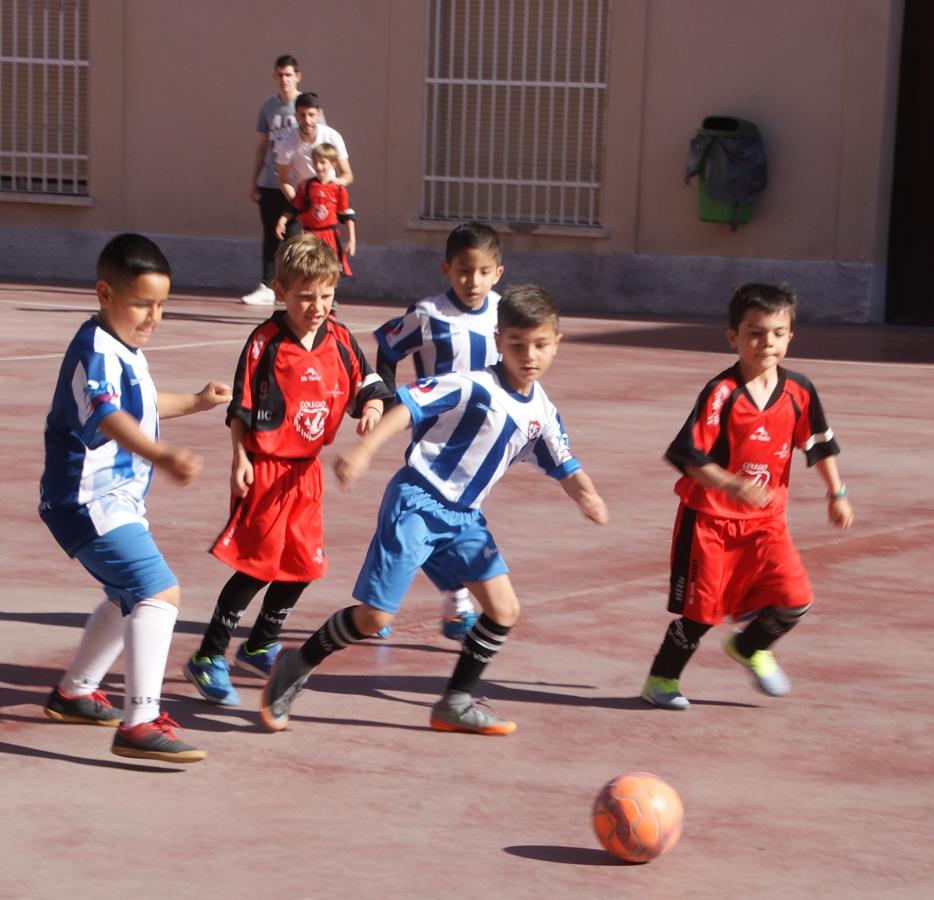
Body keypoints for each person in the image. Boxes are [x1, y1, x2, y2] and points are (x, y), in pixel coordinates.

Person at [259, 284, 608, 736]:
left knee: (503, 610)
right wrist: (364, 452)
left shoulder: (542, 410)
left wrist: (587, 494)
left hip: (465, 520)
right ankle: (296, 663)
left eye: (541, 345)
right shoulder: (471, 384)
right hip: (418, 502)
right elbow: (407, 407)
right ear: (499, 339)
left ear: (557, 342)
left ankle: (455, 702)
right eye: (517, 344)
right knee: (374, 617)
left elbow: (563, 461)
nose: (529, 355)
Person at [39, 233, 232, 762]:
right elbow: (108, 416)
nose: (153, 317)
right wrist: (162, 455)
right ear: (105, 294)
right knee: (158, 593)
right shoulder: (94, 351)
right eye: (142, 304)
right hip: (85, 501)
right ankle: (140, 722)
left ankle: (75, 693)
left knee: (126, 594)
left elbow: (140, 405)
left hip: (114, 501)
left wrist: (195, 401)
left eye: (161, 306)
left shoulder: (124, 347)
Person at [184, 234, 391, 706]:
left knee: (302, 566)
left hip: (306, 473)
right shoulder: (264, 343)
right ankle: (208, 655)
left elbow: (370, 381)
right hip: (265, 468)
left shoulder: (339, 337)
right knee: (256, 567)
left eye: (325, 295)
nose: (317, 306)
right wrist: (240, 457)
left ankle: (258, 645)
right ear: (280, 290)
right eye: (305, 296)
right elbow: (241, 407)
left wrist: (374, 406)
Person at [640, 283, 855, 711]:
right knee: (701, 614)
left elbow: (820, 445)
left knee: (796, 600)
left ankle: (751, 646)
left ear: (790, 336)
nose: (766, 343)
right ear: (733, 337)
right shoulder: (721, 393)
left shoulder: (799, 391)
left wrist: (837, 493)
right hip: (710, 521)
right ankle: (661, 679)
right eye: (755, 333)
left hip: (767, 522)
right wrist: (732, 484)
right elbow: (686, 455)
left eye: (777, 333)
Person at [372, 221, 504, 640]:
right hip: (433, 443)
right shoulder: (428, 315)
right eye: (464, 270)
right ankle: (391, 603)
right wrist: (386, 398)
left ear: (498, 272)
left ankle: (438, 600)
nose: (473, 280)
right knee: (432, 518)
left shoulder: (505, 313)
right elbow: (388, 348)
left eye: (484, 271)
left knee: (455, 518)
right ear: (445, 269)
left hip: (480, 444)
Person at [242, 54, 303, 307]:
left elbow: (318, 145)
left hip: (296, 184)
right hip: (270, 181)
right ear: (274, 77)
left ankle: (294, 285)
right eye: (279, 75)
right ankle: (266, 285)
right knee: (270, 235)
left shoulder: (305, 105)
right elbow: (262, 146)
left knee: (293, 237)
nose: (284, 80)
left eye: (288, 75)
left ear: (297, 77)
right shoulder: (268, 107)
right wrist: (254, 180)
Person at [275, 143, 356, 277]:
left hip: (329, 235)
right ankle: (311, 296)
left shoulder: (338, 189)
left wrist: (352, 240)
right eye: (316, 162)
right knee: (308, 269)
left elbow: (347, 215)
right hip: (309, 235)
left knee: (329, 271)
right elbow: (295, 206)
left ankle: (329, 297)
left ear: (333, 164)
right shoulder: (306, 186)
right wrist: (282, 221)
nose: (319, 167)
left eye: (323, 162)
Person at [275, 92, 352, 207]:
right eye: (302, 115)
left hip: (328, 202)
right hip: (300, 197)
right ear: (296, 116)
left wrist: (329, 186)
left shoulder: (333, 136)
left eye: (311, 115)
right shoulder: (287, 142)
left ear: (319, 114)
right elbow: (282, 180)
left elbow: (347, 175)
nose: (307, 120)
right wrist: (299, 205)